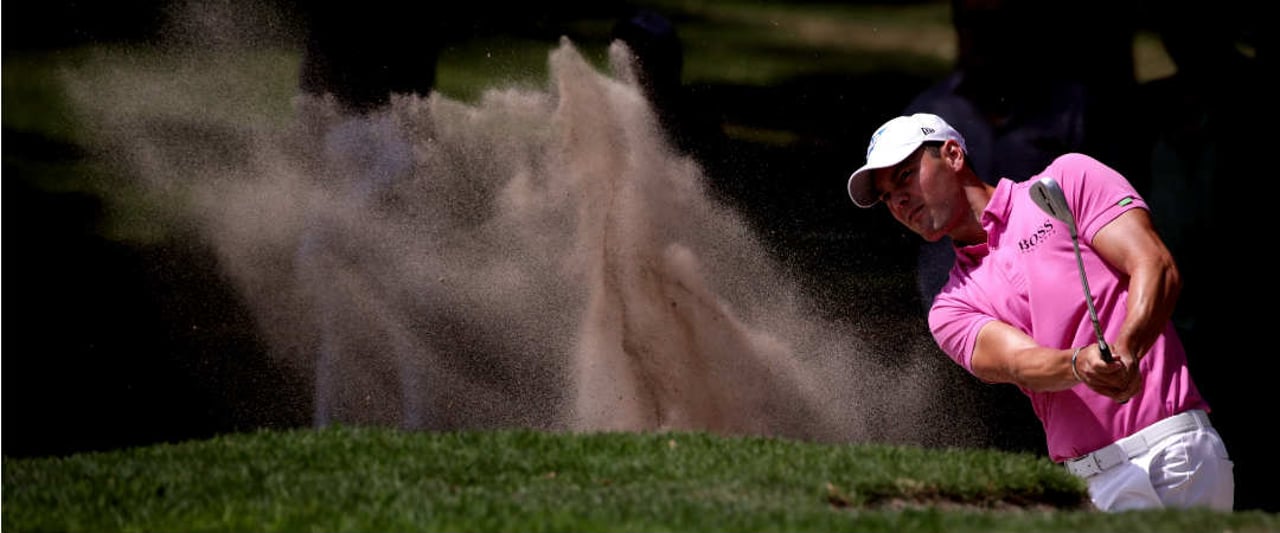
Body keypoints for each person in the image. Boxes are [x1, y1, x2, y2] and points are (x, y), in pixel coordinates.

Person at [843, 113, 1233, 512]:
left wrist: (1129, 347)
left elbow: (1155, 265)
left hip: (1178, 451)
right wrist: (1081, 365)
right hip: (1092, 485)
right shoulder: (950, 307)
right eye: (887, 197)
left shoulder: (1066, 181)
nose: (899, 202)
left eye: (905, 176)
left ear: (954, 154)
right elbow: (1021, 362)